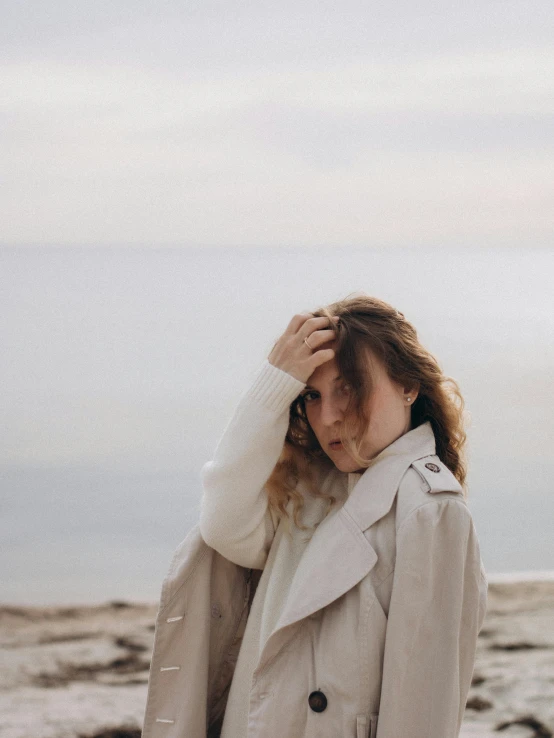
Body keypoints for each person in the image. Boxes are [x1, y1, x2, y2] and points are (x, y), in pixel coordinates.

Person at [141, 294, 488, 738]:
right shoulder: (304, 490)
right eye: (311, 394)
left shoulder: (430, 511)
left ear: (408, 385)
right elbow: (222, 525)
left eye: (349, 387)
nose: (328, 416)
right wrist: (272, 385)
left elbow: (423, 709)